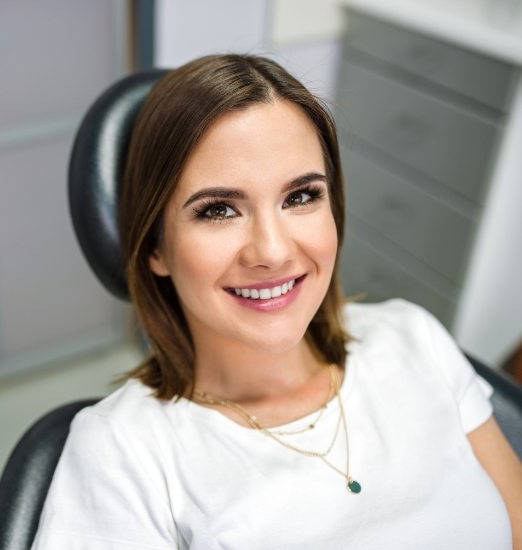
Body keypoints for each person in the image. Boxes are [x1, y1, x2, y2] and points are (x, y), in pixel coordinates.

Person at [31, 54, 522, 549]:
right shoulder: (120, 452)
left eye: (300, 197)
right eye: (219, 209)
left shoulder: (413, 339)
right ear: (156, 246)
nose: (272, 250)